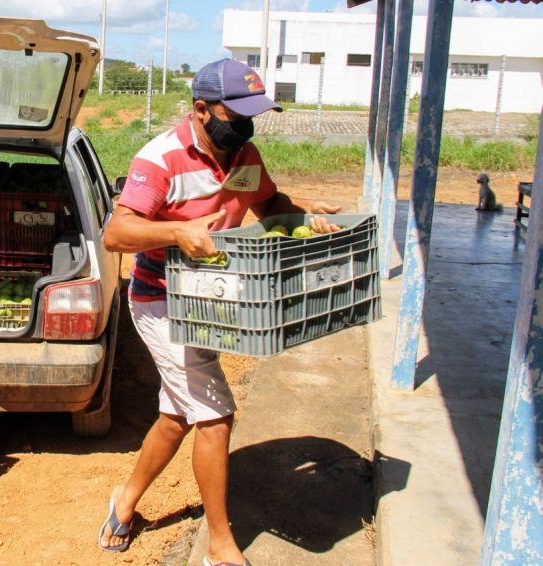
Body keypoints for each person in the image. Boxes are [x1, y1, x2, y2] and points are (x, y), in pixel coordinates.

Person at [99, 58, 341, 565]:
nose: (246, 126)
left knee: (177, 414)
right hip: (162, 300)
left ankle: (123, 503)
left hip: (210, 298)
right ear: (202, 110)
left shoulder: (245, 152)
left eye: (254, 115)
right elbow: (117, 233)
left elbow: (269, 205)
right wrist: (176, 232)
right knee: (215, 415)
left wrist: (307, 214)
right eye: (237, 114)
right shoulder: (161, 157)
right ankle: (220, 546)